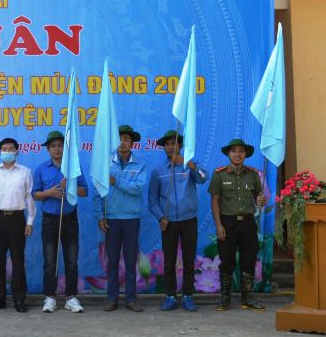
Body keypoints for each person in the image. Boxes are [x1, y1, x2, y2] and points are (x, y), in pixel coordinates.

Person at [148, 130, 208, 312]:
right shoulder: (158, 172)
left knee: (189, 259)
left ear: (180, 145)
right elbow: (152, 201)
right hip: (169, 222)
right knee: (169, 260)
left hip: (189, 220)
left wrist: (188, 164)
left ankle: (188, 296)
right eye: (167, 144)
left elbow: (204, 177)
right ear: (164, 148)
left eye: (173, 143)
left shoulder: (190, 165)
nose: (170, 147)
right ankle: (171, 296)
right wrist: (161, 217)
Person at [92, 125, 148, 312]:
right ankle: (112, 298)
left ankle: (131, 299)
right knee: (112, 261)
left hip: (132, 219)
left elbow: (138, 188)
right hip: (112, 219)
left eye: (126, 139)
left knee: (131, 261)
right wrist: (100, 216)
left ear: (132, 143)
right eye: (119, 139)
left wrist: (116, 181)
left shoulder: (140, 164)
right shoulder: (105, 163)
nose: (122, 143)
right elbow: (97, 192)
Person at [32, 130, 88, 314]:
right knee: (50, 261)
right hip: (49, 221)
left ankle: (71, 298)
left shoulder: (73, 168)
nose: (57, 149)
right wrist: (49, 193)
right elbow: (35, 194)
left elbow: (84, 191)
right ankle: (50, 297)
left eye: (60, 146)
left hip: (70, 219)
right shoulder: (41, 169)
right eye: (53, 146)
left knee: (71, 261)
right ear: (48, 149)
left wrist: (70, 187)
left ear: (65, 148)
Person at [208, 139, 267, 311]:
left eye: (241, 151)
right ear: (228, 154)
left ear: (245, 154)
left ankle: (248, 298)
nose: (237, 154)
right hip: (227, 222)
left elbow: (258, 198)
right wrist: (218, 225)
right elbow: (215, 200)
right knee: (226, 260)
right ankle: (225, 299)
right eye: (233, 151)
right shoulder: (219, 174)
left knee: (248, 260)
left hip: (248, 223)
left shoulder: (253, 174)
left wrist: (261, 200)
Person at [0, 138, 37, 313]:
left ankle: (19, 299)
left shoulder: (25, 172)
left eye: (10, 148)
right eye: (4, 148)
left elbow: (29, 197)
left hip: (17, 219)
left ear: (17, 151)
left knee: (18, 261)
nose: (7, 151)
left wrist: (30, 221)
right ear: (0, 151)